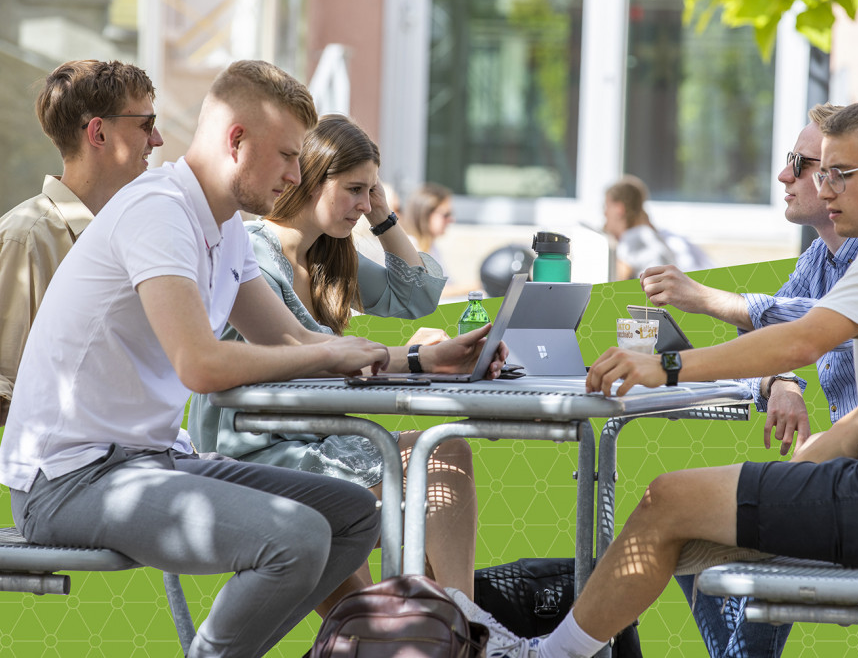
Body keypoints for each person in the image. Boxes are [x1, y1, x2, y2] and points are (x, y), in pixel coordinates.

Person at [0, 60, 506, 658]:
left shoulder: (224, 226)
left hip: (148, 462)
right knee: (293, 538)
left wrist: (421, 360)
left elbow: (290, 337)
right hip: (68, 481)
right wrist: (331, 358)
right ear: (236, 142)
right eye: (289, 156)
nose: (297, 176)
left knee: (350, 514)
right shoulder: (157, 210)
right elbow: (201, 366)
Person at [500, 95, 858, 658]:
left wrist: (666, 366)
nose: (824, 189)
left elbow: (799, 339)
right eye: (820, 173)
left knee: (669, 498)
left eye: (840, 175)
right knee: (701, 518)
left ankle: (546, 656)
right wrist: (787, 477)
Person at [189, 114, 479, 598]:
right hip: (255, 453)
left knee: (442, 454)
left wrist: (383, 216)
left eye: (372, 191)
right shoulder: (254, 253)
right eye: (354, 190)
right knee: (440, 455)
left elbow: (417, 296)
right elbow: (309, 351)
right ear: (309, 177)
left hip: (316, 443)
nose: (364, 205)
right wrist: (416, 358)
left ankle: (458, 627)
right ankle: (459, 625)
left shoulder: (328, 254)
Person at [640, 103, 858, 658]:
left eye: (799, 162)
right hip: (856, 478)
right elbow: (788, 332)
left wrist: (703, 299)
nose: (784, 176)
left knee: (685, 519)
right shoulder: (821, 256)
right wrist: (781, 379)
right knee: (690, 528)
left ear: (844, 175)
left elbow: (817, 324)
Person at [0, 59, 165, 426]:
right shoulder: (27, 237)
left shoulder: (134, 230)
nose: (157, 139)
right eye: (147, 124)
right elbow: (5, 390)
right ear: (99, 133)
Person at [603, 175, 712, 280]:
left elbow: (616, 278)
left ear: (619, 209)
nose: (604, 213)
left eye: (606, 206)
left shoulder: (635, 238)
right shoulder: (647, 234)